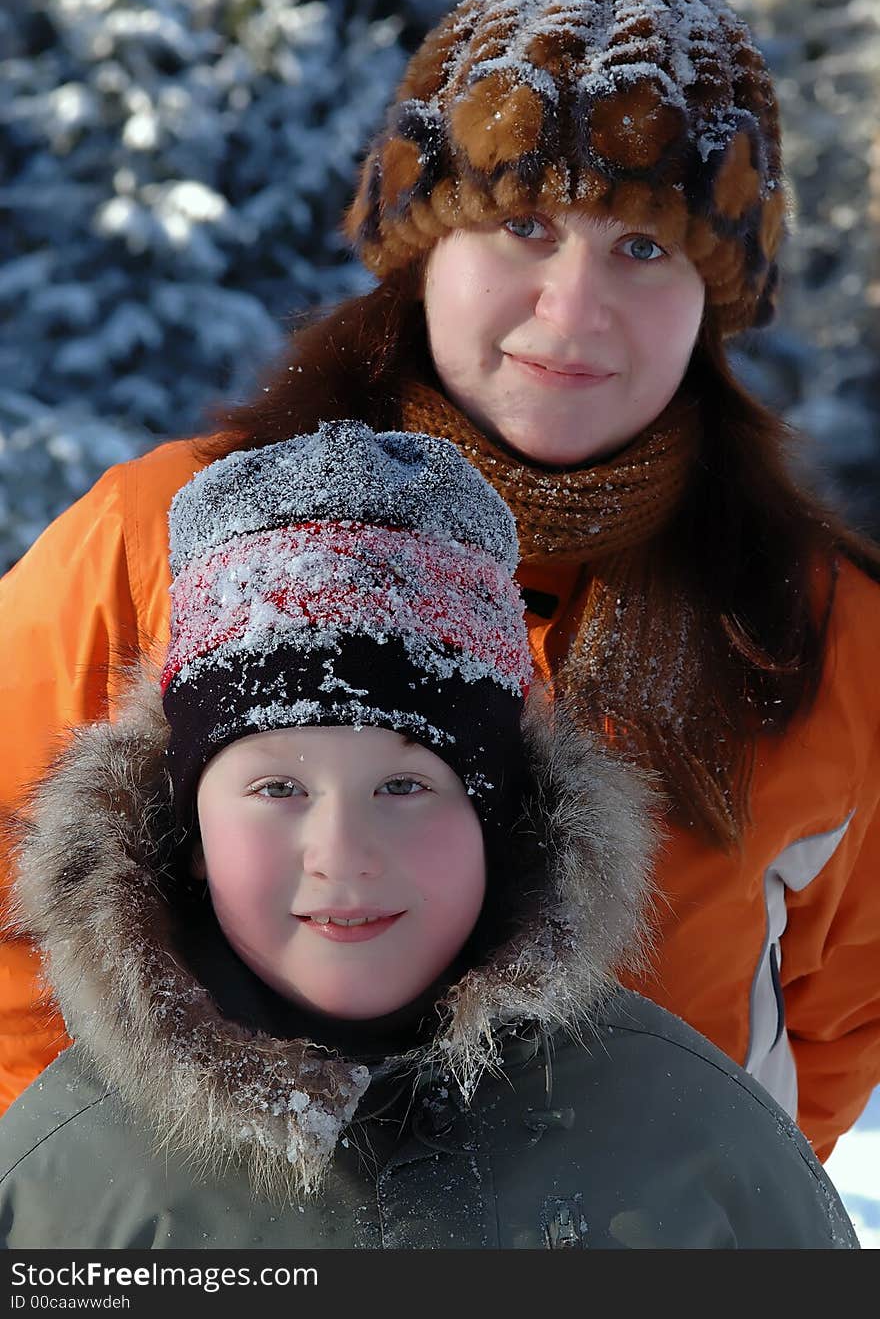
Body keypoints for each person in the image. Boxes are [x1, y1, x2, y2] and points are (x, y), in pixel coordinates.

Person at [0, 0, 877, 1167]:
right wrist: (92, 1212)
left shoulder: (820, 633)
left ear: (714, 295)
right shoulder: (158, 538)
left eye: (644, 248)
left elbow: (838, 1025)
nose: (573, 312)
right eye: (524, 223)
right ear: (419, 244)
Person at [0, 421, 857, 1249]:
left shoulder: (702, 1148)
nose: (341, 850)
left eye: (406, 784)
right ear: (185, 828)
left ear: (502, 818)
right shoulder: (59, 1178)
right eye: (278, 787)